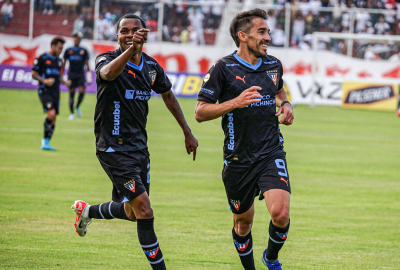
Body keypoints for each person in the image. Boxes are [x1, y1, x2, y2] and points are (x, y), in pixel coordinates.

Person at [71, 14, 198, 270]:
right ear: (117, 35)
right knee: (145, 210)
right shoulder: (106, 60)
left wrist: (187, 131)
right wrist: (131, 50)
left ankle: (87, 211)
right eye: (123, 31)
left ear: (144, 33)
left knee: (131, 213)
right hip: (112, 148)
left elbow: (168, 95)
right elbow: (106, 74)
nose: (129, 34)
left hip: (139, 149)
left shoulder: (151, 67)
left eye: (135, 30)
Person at [195, 9, 294, 270]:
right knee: (243, 223)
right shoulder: (223, 68)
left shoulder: (273, 65)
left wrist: (286, 105)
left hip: (271, 151)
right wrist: (235, 103)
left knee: (281, 214)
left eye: (268, 32)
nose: (268, 37)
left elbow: (279, 91)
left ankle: (271, 258)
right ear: (243, 36)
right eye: (262, 32)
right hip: (238, 159)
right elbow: (200, 112)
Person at [32, 36, 70, 151]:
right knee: (51, 114)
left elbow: (59, 76)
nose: (61, 50)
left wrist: (64, 81)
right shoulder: (41, 58)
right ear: (53, 46)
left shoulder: (59, 61)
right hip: (44, 90)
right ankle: (44, 142)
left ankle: (47, 142)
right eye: (59, 48)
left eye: (62, 48)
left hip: (56, 92)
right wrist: (44, 81)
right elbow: (34, 74)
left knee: (54, 118)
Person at [62, 32, 91, 120]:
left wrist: (89, 75)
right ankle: (72, 113)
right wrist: (62, 74)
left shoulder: (84, 51)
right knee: (71, 92)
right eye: (75, 38)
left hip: (80, 75)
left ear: (80, 40)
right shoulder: (68, 50)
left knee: (82, 91)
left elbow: (87, 63)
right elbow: (64, 63)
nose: (76, 40)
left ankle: (77, 106)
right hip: (71, 74)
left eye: (78, 38)